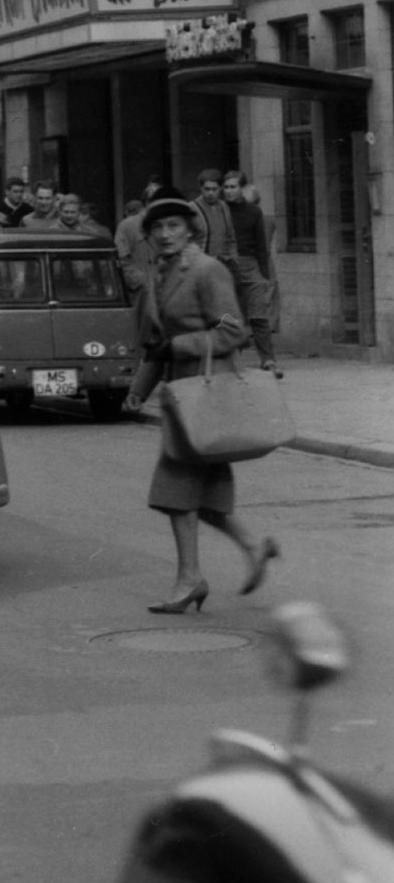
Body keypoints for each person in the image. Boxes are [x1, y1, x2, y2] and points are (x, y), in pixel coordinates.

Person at [136, 192, 279, 614]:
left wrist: (180, 346)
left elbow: (233, 330)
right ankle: (253, 546)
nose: (165, 234)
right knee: (203, 493)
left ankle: (191, 578)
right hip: (183, 393)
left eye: (173, 225)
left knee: (174, 488)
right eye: (157, 227)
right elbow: (157, 342)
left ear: (190, 230)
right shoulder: (161, 272)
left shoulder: (207, 269)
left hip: (204, 395)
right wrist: (139, 387)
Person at [221, 167, 281, 373]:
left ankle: (268, 358)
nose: (229, 191)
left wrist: (264, 275)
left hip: (250, 265)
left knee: (258, 314)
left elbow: (261, 246)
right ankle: (233, 359)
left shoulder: (254, 212)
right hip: (227, 266)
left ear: (242, 188)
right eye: (226, 187)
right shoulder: (219, 211)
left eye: (233, 187)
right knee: (230, 315)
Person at [194, 169, 239, 267]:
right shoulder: (192, 209)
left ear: (220, 188)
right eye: (207, 189)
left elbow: (231, 237)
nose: (210, 193)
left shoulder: (224, 207)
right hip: (200, 265)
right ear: (201, 188)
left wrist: (233, 258)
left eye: (214, 189)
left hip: (223, 265)